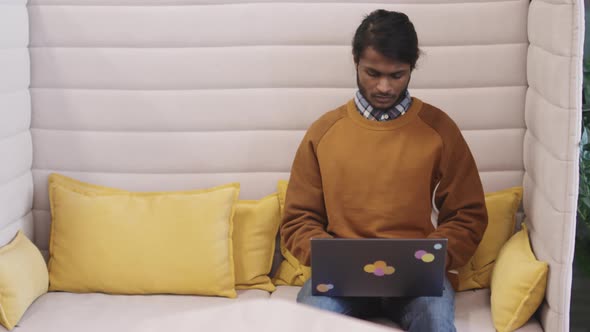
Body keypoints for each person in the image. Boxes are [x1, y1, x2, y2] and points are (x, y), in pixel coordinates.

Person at [279, 9, 488, 332]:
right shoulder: (324, 131)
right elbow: (297, 219)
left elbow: (468, 214)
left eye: (397, 75)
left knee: (435, 320)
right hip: (340, 279)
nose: (384, 87)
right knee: (310, 321)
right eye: (372, 73)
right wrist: (325, 255)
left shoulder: (438, 129)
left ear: (412, 67)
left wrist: (434, 259)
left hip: (418, 278)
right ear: (355, 62)